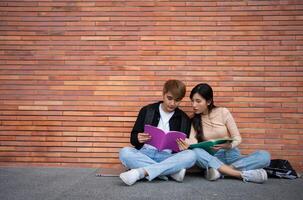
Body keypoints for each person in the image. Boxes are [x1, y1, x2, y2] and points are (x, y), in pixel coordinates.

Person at [185, 83, 271, 184]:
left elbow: (237, 138)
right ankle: (240, 174)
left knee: (265, 156)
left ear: (208, 101)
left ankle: (221, 172)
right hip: (213, 158)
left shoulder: (223, 112)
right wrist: (187, 143)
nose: (194, 105)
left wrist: (229, 145)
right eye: (192, 101)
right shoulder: (194, 120)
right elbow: (193, 141)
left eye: (198, 101)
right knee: (196, 152)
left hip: (230, 154)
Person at [119, 80, 196, 186]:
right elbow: (133, 139)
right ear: (163, 94)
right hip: (145, 154)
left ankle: (141, 172)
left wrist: (183, 147)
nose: (172, 103)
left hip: (167, 157)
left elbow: (182, 148)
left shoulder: (184, 119)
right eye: (169, 98)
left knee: (191, 155)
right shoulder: (147, 110)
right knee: (125, 152)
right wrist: (137, 138)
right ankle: (171, 173)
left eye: (177, 100)